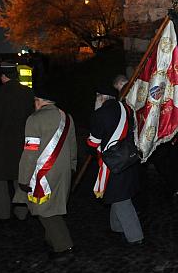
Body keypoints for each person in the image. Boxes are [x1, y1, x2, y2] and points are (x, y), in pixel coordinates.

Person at [18, 83, 78, 261]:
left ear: (39, 101)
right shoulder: (67, 117)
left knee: (45, 210)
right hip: (64, 170)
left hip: (44, 173)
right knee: (55, 206)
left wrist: (23, 178)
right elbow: (72, 146)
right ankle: (51, 239)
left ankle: (64, 247)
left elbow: (30, 152)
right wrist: (72, 166)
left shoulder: (34, 119)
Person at [87, 83, 144, 245]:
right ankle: (117, 226)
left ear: (101, 98)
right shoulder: (127, 108)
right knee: (119, 193)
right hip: (129, 158)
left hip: (113, 163)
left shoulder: (100, 114)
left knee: (121, 199)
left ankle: (135, 237)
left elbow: (93, 143)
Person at [0, 62, 34, 221]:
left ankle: (2, 213)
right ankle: (22, 212)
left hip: (0, 146)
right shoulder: (28, 93)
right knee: (21, 179)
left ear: (3, 76)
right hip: (22, 143)